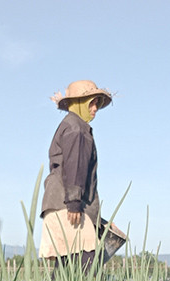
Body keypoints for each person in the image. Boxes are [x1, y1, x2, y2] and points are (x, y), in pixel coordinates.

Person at [39, 79, 125, 271]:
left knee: (66, 267)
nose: (95, 108)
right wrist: (75, 203)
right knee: (86, 265)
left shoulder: (70, 126)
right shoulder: (76, 129)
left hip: (59, 203)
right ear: (78, 103)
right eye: (91, 102)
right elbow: (75, 165)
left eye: (97, 103)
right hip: (69, 206)